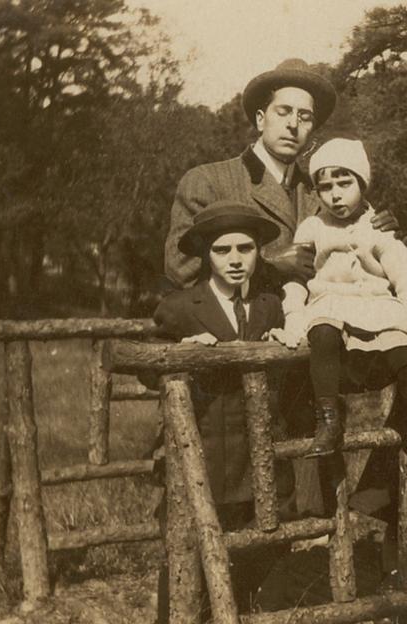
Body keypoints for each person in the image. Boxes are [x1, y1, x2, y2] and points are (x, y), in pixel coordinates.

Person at [273, 138, 407, 484]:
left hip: (376, 305)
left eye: (345, 184)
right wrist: (294, 317)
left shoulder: (380, 228)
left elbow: (406, 283)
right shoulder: (313, 228)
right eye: (326, 188)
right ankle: (328, 421)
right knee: (323, 333)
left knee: (403, 355)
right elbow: (298, 278)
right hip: (329, 302)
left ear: (363, 184)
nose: (335, 196)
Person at [151, 200, 294, 615]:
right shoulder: (181, 307)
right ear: (205, 254)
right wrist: (182, 353)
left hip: (258, 456)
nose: (235, 260)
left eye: (245, 249)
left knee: (261, 557)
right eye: (222, 250)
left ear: (258, 252)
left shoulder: (270, 306)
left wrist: (285, 344)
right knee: (191, 560)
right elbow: (146, 367)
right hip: (205, 454)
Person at [164, 58, 398, 290]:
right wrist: (268, 266)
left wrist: (380, 233)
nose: (293, 124)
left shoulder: (324, 191)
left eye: (305, 117)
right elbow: (181, 268)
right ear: (260, 119)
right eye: (283, 112)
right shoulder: (207, 181)